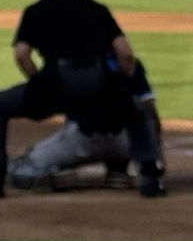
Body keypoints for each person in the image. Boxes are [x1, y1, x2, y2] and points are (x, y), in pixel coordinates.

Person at [0, 0, 166, 199]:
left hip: (57, 81)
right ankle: (151, 175)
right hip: (99, 80)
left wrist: (38, 81)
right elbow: (125, 55)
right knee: (136, 108)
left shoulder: (36, 10)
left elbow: (21, 54)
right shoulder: (97, 9)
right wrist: (121, 86)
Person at [8, 58, 165, 191]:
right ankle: (118, 170)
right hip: (125, 145)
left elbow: (42, 105)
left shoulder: (67, 64)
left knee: (22, 167)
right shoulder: (128, 61)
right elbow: (150, 111)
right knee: (139, 112)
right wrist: (154, 156)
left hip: (80, 143)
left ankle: (56, 175)